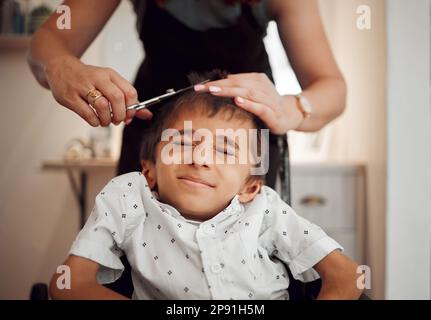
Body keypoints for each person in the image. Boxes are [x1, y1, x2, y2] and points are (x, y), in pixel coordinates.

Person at [49, 77, 362, 300]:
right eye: (182, 143)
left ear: (250, 187)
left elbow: (348, 277)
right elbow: (67, 284)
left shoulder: (265, 209)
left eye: (225, 151)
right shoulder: (130, 197)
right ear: (150, 170)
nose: (200, 159)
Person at [27, 0, 346, 188]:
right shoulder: (139, 186)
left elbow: (333, 88)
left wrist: (292, 108)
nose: (200, 160)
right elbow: (48, 43)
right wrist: (61, 67)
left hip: (245, 144)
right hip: (153, 131)